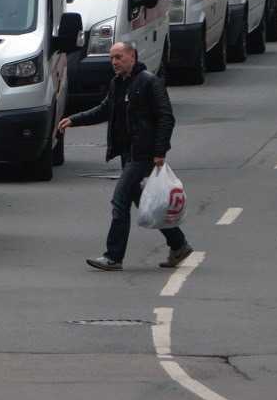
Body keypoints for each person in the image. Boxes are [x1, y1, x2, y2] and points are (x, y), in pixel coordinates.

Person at [57, 41, 192, 271]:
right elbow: (105, 109)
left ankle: (113, 256)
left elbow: (166, 117)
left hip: (144, 155)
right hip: (128, 153)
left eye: (119, 57)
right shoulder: (117, 83)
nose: (114, 62)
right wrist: (75, 119)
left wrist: (160, 152)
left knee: (120, 200)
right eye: (111, 58)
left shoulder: (149, 82)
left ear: (133, 56)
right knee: (143, 202)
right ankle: (179, 244)